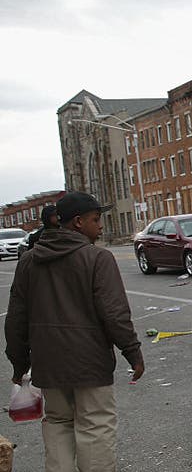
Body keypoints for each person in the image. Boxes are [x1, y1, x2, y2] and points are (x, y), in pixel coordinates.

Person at [5, 192, 144, 471]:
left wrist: (20, 364)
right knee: (95, 425)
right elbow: (115, 314)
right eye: (96, 220)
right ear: (78, 222)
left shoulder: (29, 262)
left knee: (58, 423)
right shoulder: (97, 258)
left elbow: (16, 320)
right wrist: (133, 352)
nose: (101, 226)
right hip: (90, 363)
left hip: (49, 364)